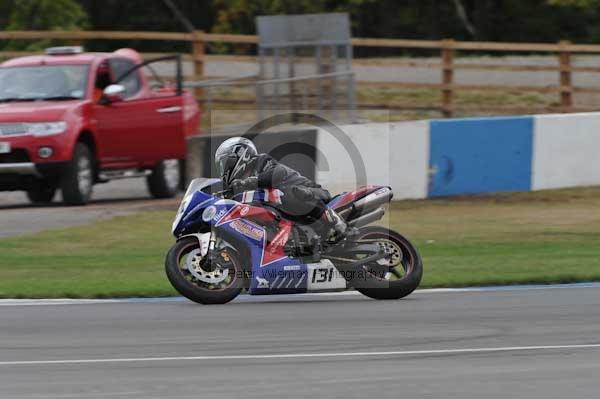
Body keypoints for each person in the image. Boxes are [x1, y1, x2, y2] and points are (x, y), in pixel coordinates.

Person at [215, 136, 347, 242]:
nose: (224, 169)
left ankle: (335, 220)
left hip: (313, 194)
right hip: (294, 213)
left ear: (240, 156)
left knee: (285, 192)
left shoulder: (261, 162)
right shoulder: (239, 186)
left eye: (226, 163)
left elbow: (277, 174)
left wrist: (247, 182)